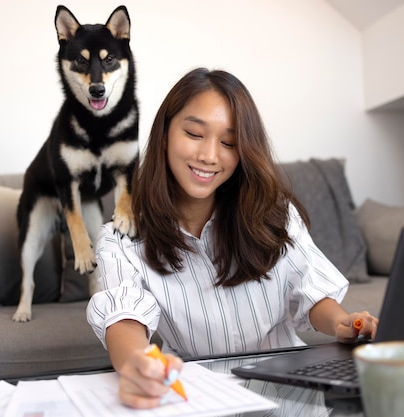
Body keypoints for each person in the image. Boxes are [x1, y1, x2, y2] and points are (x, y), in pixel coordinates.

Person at [87, 67, 378, 409]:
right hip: (198, 396)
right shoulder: (120, 238)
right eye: (194, 134)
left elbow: (310, 289)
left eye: (229, 142)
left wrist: (341, 322)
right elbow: (124, 317)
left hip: (292, 393)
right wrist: (137, 362)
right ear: (165, 134)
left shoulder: (274, 213)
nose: (210, 155)